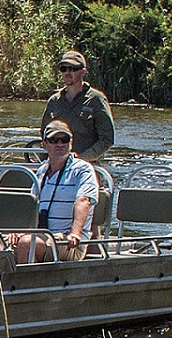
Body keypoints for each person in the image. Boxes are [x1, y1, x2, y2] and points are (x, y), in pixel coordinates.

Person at [7, 120, 102, 261]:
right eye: (53, 140)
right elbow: (32, 208)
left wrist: (75, 233)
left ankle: (25, 283)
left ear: (71, 143)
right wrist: (21, 230)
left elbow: (83, 201)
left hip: (67, 241)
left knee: (27, 244)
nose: (59, 144)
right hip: (40, 234)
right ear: (44, 144)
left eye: (64, 140)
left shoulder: (83, 169)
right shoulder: (42, 171)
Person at [43, 50, 116, 164]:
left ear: (83, 71)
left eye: (72, 68)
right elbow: (45, 134)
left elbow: (107, 139)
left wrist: (80, 159)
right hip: (57, 167)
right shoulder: (53, 101)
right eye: (64, 69)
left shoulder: (96, 100)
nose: (67, 72)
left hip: (87, 168)